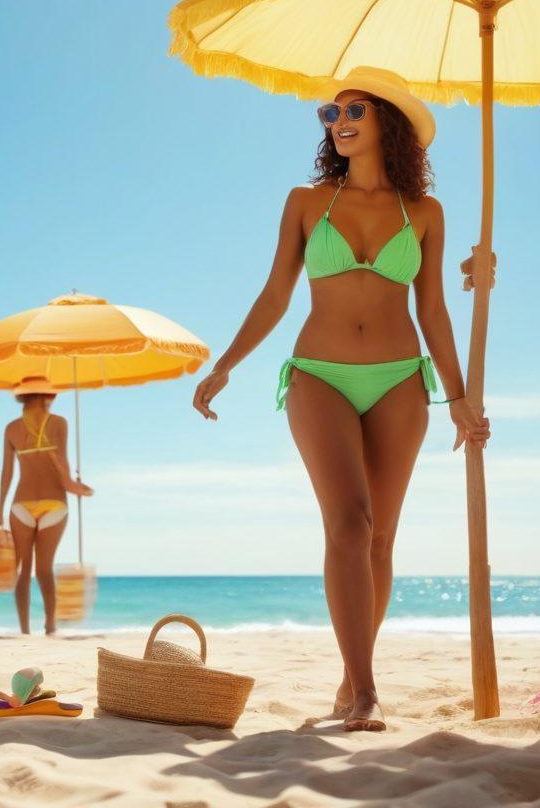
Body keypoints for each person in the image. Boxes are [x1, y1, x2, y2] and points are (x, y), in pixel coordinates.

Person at [192, 67, 491, 731]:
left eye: (354, 110)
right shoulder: (307, 202)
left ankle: (351, 676)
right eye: (331, 113)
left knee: (380, 539)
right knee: (349, 526)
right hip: (319, 376)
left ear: (389, 121)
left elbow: (433, 311)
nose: (339, 122)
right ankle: (365, 692)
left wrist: (458, 397)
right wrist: (226, 365)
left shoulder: (424, 213)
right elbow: (276, 293)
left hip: (399, 380)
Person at [0, 377, 93, 635]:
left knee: (23, 570)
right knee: (44, 569)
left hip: (21, 505)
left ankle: (25, 630)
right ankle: (50, 626)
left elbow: (7, 473)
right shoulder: (59, 423)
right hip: (54, 503)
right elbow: (62, 467)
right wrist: (77, 487)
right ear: (48, 395)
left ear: (23, 396)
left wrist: (0, 508)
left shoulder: (12, 428)